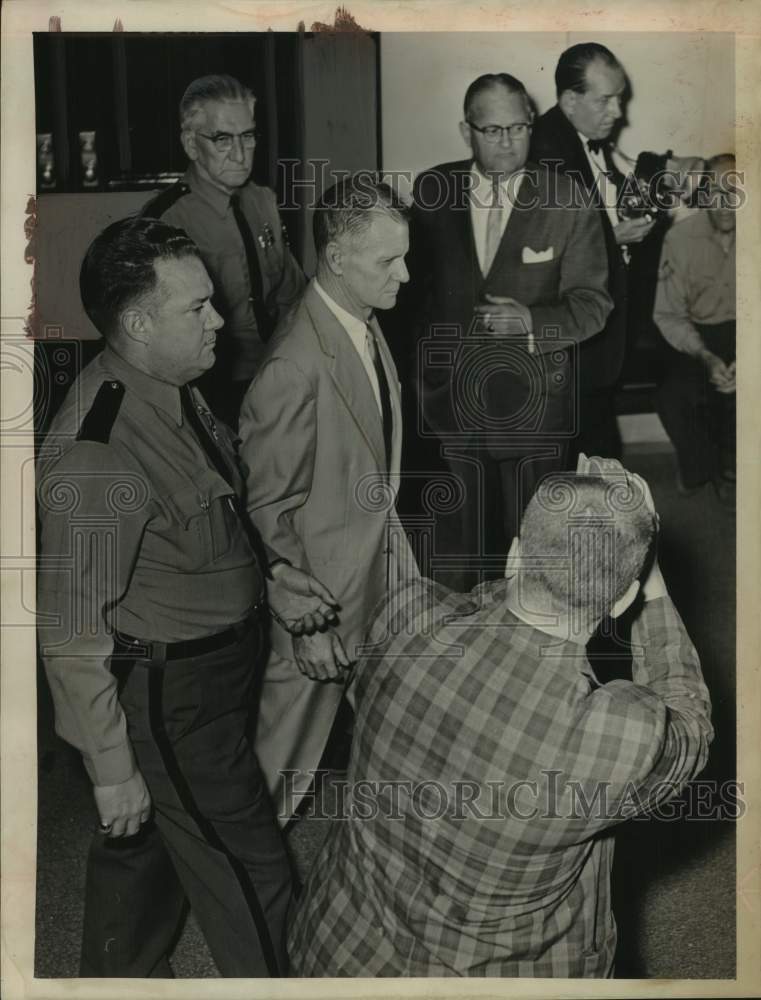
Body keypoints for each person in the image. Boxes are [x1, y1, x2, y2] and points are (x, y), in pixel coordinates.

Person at [36, 217, 337, 977]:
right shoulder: (100, 451)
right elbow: (71, 632)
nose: (220, 320)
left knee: (151, 851)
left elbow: (208, 515)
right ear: (136, 325)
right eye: (196, 308)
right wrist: (110, 766)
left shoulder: (174, 388)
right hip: (172, 696)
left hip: (212, 671)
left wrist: (268, 574)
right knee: (255, 871)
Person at [288, 457, 713, 977]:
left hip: (340, 951)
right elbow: (689, 717)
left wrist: (566, 532)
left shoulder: (407, 616)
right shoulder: (618, 735)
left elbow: (470, 606)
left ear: (514, 556)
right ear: (623, 599)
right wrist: (646, 573)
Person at [239, 176, 419, 822]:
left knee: (403, 736)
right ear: (337, 259)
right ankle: (230, 894)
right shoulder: (294, 364)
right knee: (277, 768)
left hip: (377, 577)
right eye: (388, 261)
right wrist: (304, 626)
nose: (404, 273)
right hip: (322, 604)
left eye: (404, 255)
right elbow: (267, 511)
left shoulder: (357, 322)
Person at [406, 72, 612, 592]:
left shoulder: (569, 198)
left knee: (536, 556)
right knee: (457, 556)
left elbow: (594, 303)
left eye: (518, 128)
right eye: (491, 129)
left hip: (535, 408)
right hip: (451, 405)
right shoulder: (431, 192)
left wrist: (533, 322)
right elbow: (410, 300)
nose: (506, 142)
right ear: (465, 130)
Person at [142, 74, 305, 427]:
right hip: (209, 389)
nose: (240, 154)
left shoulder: (263, 202)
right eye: (222, 139)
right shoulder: (166, 220)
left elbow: (291, 293)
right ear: (190, 144)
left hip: (276, 376)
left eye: (247, 136)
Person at [530, 42, 660, 460]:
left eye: (619, 98)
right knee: (575, 455)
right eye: (606, 100)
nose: (618, 112)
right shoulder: (544, 150)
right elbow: (544, 244)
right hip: (570, 341)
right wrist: (614, 238)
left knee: (595, 452)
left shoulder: (587, 139)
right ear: (570, 100)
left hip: (596, 335)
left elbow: (598, 206)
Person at [654, 154, 737, 509]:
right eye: (715, 192)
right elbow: (669, 314)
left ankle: (733, 470)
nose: (725, 204)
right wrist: (705, 356)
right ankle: (701, 465)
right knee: (671, 398)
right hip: (699, 335)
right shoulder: (680, 239)